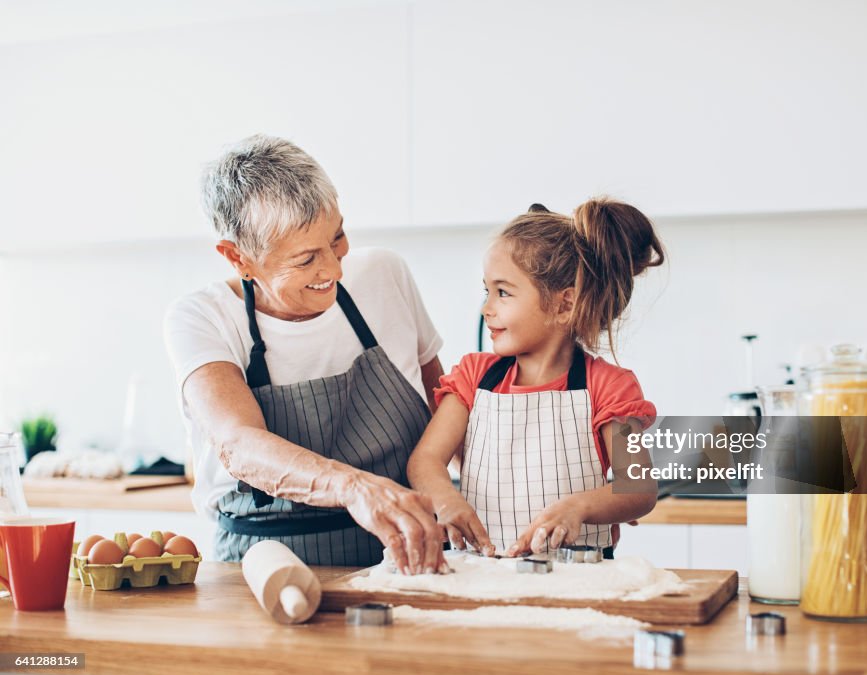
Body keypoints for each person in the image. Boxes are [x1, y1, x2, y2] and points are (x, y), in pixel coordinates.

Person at [164, 134, 446, 573]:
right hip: (264, 567)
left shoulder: (384, 275)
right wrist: (353, 488)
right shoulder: (201, 318)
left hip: (406, 554)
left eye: (338, 239)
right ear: (238, 257)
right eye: (306, 258)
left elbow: (443, 404)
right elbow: (238, 443)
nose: (333, 269)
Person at [407, 199, 663, 558]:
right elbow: (425, 461)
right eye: (487, 291)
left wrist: (578, 507)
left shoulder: (609, 387)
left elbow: (638, 487)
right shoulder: (473, 377)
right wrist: (446, 500)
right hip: (484, 572)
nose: (487, 308)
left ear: (564, 305)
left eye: (503, 292)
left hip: (579, 578)